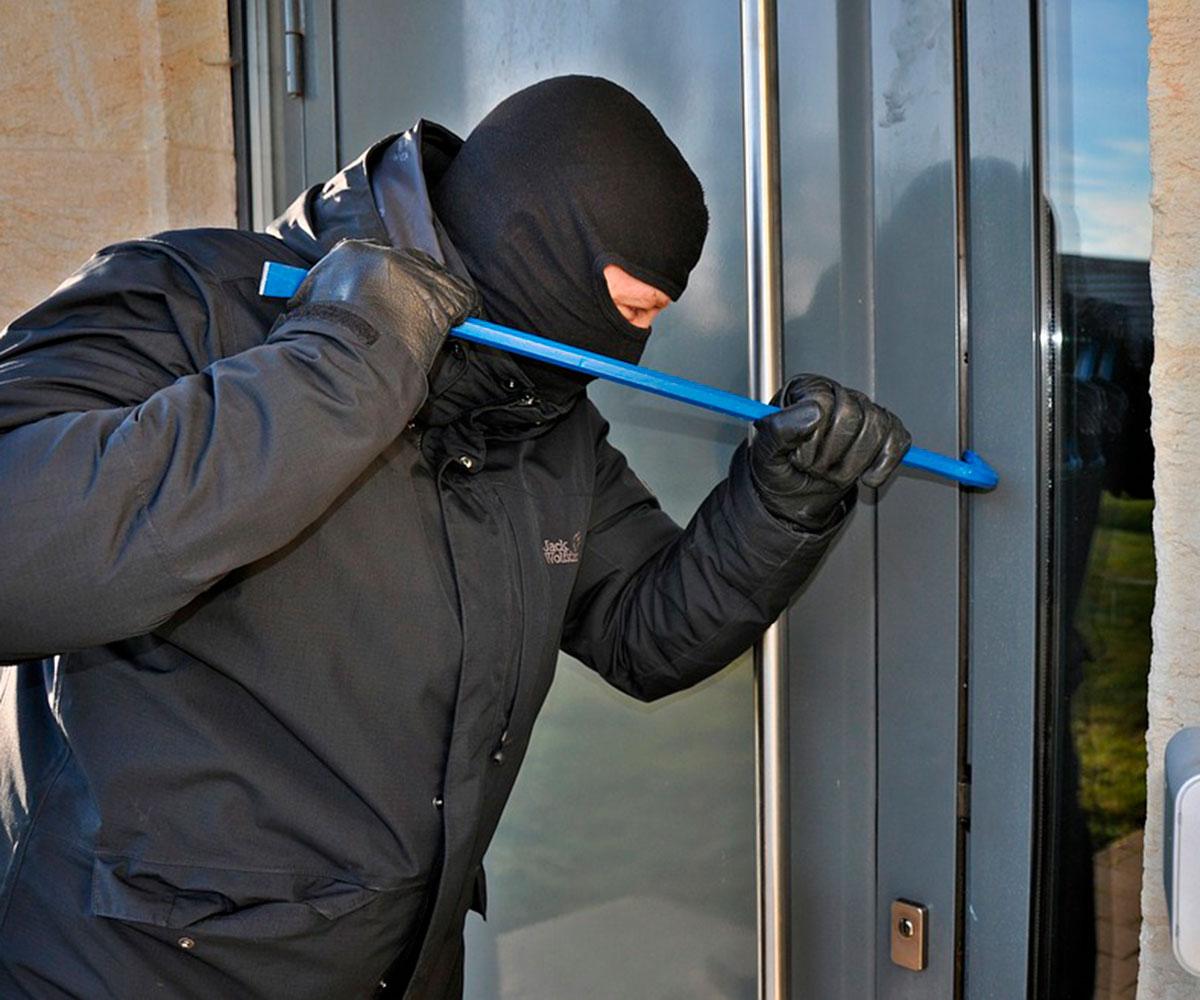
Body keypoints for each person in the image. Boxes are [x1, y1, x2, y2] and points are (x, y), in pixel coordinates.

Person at [0, 75, 909, 998]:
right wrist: (345, 363)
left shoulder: (541, 422)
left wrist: (783, 499)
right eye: (636, 306)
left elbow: (647, 633)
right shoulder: (193, 301)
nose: (642, 341)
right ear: (539, 246)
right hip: (133, 970)